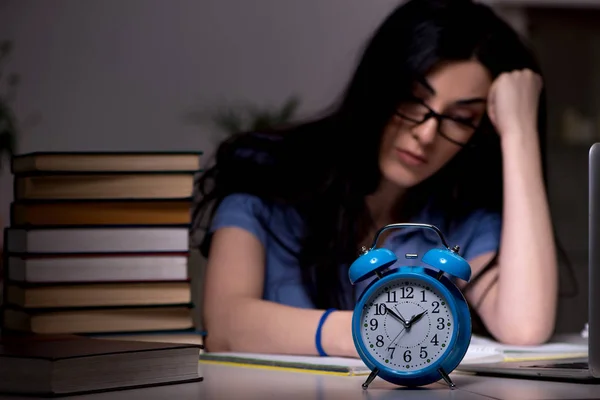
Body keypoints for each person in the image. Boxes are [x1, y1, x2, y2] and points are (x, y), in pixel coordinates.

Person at [191, 0, 558, 358]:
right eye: (413, 99)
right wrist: (375, 332)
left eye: (461, 119)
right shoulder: (267, 171)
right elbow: (224, 326)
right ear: (379, 84)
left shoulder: (462, 219)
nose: (427, 134)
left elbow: (524, 327)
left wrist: (519, 132)